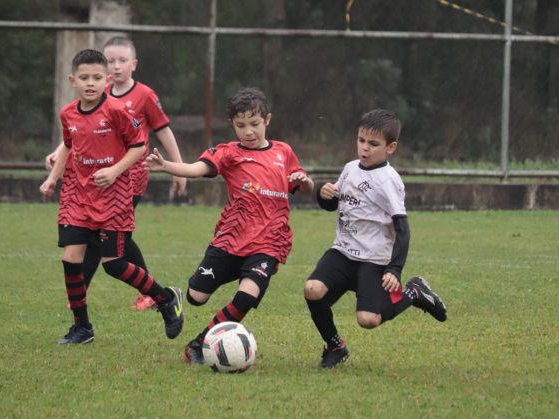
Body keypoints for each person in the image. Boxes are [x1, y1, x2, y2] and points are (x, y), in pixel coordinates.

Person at [144, 87, 314, 364]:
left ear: (267, 120)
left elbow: (305, 188)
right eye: (241, 125)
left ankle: (200, 344)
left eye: (254, 124)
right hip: (231, 240)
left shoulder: (284, 153)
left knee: (247, 296)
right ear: (233, 125)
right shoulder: (228, 153)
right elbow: (196, 169)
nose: (248, 131)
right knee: (196, 296)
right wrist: (167, 166)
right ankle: (174, 296)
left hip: (269, 243)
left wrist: (305, 182)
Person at [39, 49, 184, 345]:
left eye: (96, 78)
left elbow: (139, 146)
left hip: (114, 195)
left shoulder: (117, 111)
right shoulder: (67, 114)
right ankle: (82, 328)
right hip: (76, 194)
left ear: (106, 80)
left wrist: (115, 171)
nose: (90, 83)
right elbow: (68, 146)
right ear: (72, 81)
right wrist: (53, 178)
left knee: (113, 263)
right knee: (71, 257)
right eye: (83, 78)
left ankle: (165, 298)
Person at [303, 109, 447, 369]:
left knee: (368, 320)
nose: (364, 149)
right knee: (312, 290)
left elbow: (403, 229)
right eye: (361, 141)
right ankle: (335, 347)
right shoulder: (349, 169)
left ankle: (414, 293)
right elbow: (334, 205)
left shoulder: (388, 181)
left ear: (390, 147)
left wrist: (394, 269)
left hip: (373, 261)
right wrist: (324, 194)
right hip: (343, 253)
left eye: (373, 144)